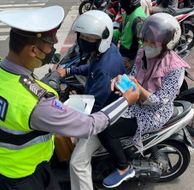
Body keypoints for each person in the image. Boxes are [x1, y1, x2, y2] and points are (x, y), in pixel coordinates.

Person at [0, 6, 140, 190]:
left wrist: (62, 74)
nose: (54, 47)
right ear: (34, 51)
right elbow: (89, 125)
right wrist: (126, 100)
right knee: (77, 162)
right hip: (27, 175)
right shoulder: (37, 102)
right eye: (51, 44)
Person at [98, 13, 190, 188]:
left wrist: (139, 91)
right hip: (134, 101)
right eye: (145, 40)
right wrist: (120, 82)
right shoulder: (142, 53)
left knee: (106, 128)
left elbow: (160, 102)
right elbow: (133, 76)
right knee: (103, 105)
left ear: (167, 44)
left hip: (154, 113)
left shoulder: (176, 69)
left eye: (152, 43)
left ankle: (124, 168)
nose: (147, 46)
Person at [55, 10, 126, 190]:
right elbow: (91, 67)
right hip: (98, 104)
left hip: (104, 117)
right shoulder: (106, 51)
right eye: (83, 36)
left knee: (77, 163)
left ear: (102, 38)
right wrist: (69, 71)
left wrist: (70, 113)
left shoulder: (105, 68)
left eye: (90, 38)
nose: (85, 41)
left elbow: (96, 106)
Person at [113, 0, 147, 73]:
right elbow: (120, 31)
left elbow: (142, 45)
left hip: (129, 57)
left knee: (117, 77)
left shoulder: (138, 19)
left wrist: (133, 62)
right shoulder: (127, 13)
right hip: (122, 50)